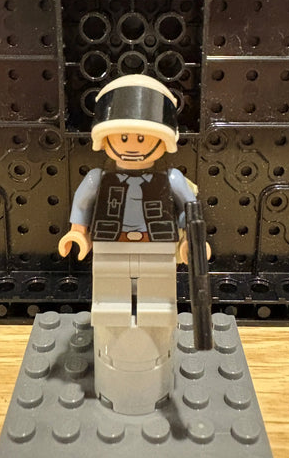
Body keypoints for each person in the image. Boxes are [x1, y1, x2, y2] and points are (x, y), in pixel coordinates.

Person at [58, 74, 197, 414]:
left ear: (163, 140)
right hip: (111, 248)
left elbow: (189, 211)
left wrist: (189, 242)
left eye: (141, 137)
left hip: (158, 250)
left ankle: (154, 364)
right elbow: (83, 205)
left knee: (160, 309)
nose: (132, 145)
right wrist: (77, 233)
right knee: (109, 308)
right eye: (122, 137)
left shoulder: (173, 179)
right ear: (105, 139)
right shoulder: (97, 179)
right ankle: (114, 362)